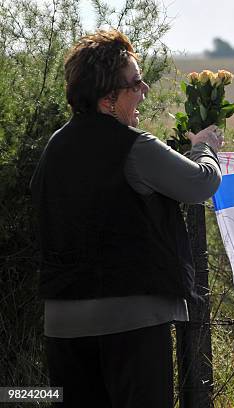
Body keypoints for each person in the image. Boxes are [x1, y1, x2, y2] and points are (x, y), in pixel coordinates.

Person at [29, 29, 222, 408]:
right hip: (132, 325)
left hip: (63, 327)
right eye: (135, 82)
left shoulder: (55, 146)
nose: (144, 89)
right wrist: (204, 148)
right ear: (107, 100)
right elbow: (201, 184)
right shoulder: (135, 146)